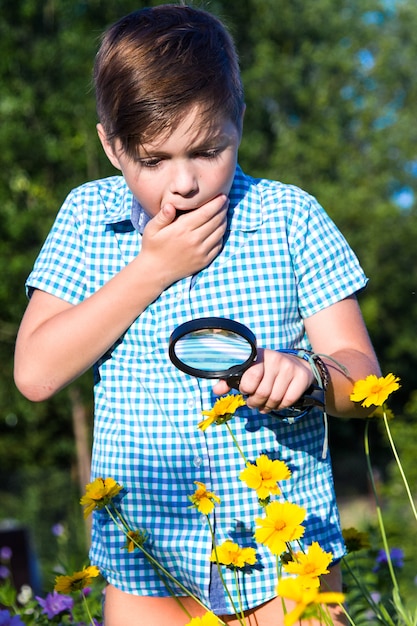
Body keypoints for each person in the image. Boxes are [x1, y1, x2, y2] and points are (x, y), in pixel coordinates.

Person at [14, 4, 381, 626]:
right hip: (147, 563)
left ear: (239, 122)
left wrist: (311, 376)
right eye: (154, 161)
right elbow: (36, 374)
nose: (183, 183)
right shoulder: (86, 218)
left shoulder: (288, 217)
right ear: (112, 145)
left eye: (209, 150)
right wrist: (152, 268)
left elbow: (363, 380)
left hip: (283, 552)